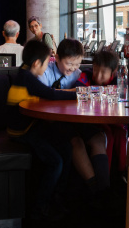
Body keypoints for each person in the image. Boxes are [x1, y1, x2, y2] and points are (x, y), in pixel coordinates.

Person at [6, 40, 76, 220]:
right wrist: (77, 94)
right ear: (37, 63)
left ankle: (58, 198)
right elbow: (51, 94)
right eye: (46, 62)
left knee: (66, 148)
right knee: (56, 162)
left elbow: (46, 95)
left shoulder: (24, 72)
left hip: (30, 127)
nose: (47, 67)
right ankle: (40, 207)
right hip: (22, 132)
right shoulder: (27, 78)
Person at [40, 38, 111, 197]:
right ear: (57, 58)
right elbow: (41, 97)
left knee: (98, 138)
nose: (73, 68)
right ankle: (97, 192)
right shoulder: (45, 72)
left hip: (75, 120)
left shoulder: (79, 75)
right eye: (69, 63)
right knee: (76, 142)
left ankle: (105, 189)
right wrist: (75, 92)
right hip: (52, 121)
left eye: (77, 64)